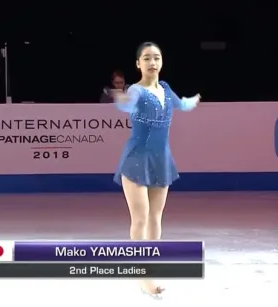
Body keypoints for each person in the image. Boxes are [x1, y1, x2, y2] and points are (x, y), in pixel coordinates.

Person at [111, 42, 201, 298]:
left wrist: (191, 101)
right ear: (138, 64)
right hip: (136, 158)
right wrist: (122, 100)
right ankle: (142, 275)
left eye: (156, 58)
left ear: (161, 62)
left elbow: (180, 105)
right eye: (147, 58)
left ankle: (149, 265)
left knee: (155, 219)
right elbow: (129, 104)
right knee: (140, 219)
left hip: (161, 159)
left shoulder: (165, 88)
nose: (152, 62)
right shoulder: (136, 90)